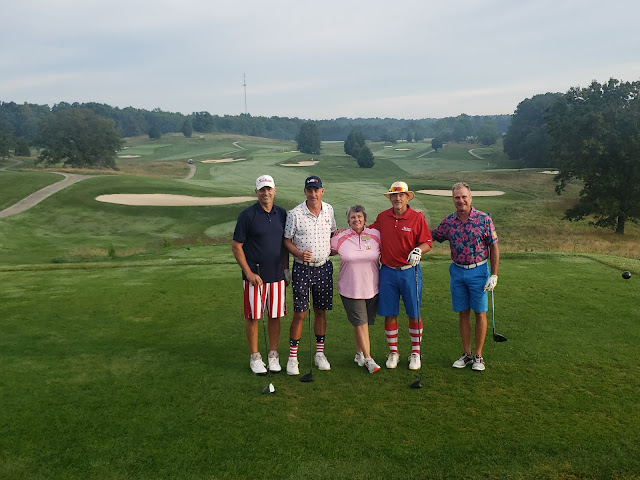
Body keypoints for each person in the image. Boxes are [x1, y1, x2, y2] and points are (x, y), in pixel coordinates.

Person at [431, 182, 499, 372]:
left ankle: (478, 355)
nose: (460, 200)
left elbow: (494, 247)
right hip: (457, 271)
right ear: (453, 199)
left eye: (463, 197)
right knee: (463, 313)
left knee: (480, 313)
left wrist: (494, 274)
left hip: (478, 271)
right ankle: (466, 354)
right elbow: (433, 235)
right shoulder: (449, 221)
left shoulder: (484, 219)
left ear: (470, 198)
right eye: (457, 197)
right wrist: (417, 221)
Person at [232, 174, 290, 375]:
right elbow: (237, 246)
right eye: (262, 190)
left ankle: (273, 355)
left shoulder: (282, 214)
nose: (266, 193)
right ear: (256, 192)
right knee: (253, 317)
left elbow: (285, 245)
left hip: (276, 275)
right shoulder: (247, 215)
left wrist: (286, 269)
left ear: (275, 190)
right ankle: (255, 357)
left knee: (275, 316)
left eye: (269, 189)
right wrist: (248, 273)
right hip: (254, 276)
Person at [370, 181, 432, 371]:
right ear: (390, 198)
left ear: (407, 197)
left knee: (414, 312)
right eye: (394, 195)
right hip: (387, 271)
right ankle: (393, 352)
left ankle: (415, 353)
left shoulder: (416, 218)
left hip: (409, 271)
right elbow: (368, 232)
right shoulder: (383, 217)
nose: (397, 198)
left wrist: (418, 251)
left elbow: (427, 242)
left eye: (401, 195)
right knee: (390, 313)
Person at [284, 175, 337, 375]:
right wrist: (298, 253)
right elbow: (287, 240)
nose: (313, 194)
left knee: (321, 311)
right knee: (300, 313)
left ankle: (319, 354)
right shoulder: (295, 214)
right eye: (309, 190)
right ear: (305, 191)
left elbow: (333, 232)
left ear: (322, 191)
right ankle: (292, 358)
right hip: (302, 268)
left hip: (323, 267)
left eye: (317, 190)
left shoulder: (329, 210)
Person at [330, 205, 382, 374]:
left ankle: (359, 353)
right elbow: (325, 250)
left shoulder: (375, 235)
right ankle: (369, 359)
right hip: (350, 288)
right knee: (361, 323)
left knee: (364, 323)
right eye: (352, 217)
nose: (356, 220)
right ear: (348, 220)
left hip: (372, 287)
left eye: (359, 216)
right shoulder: (341, 237)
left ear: (364, 219)